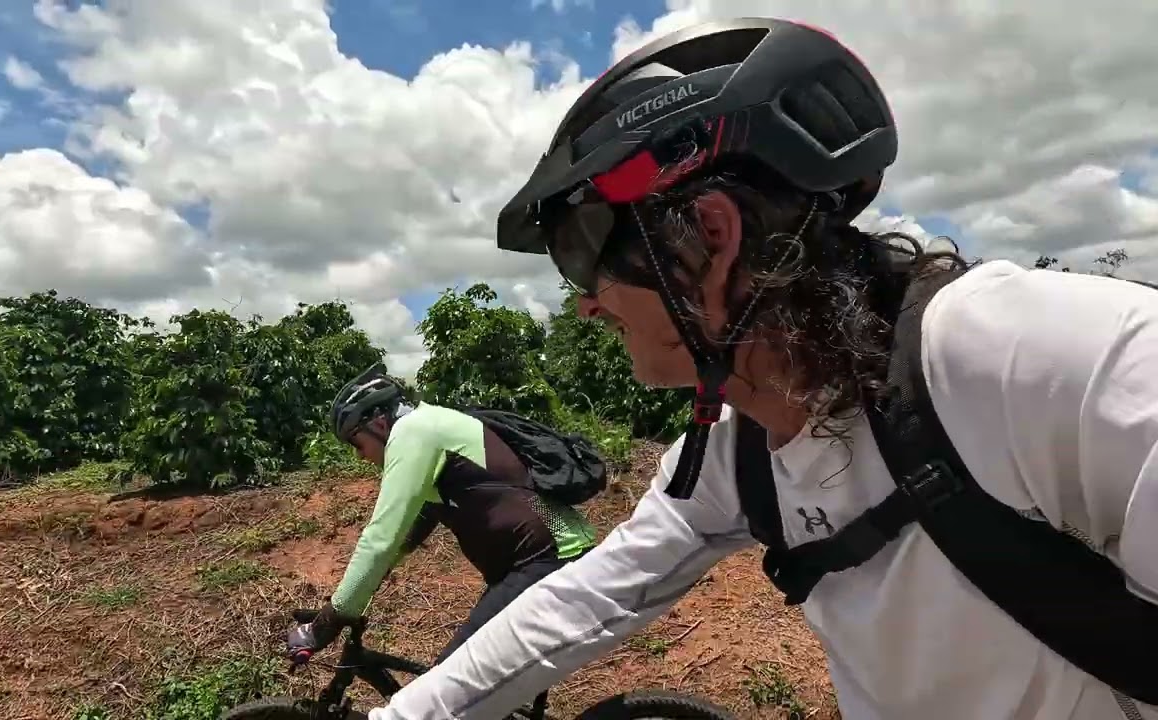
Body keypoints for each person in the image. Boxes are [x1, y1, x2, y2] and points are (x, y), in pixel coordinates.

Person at [364, 17, 1158, 720]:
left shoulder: (1016, 357)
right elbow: (581, 603)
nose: (587, 305)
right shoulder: (735, 457)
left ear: (711, 236)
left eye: (581, 255)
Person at [286, 362, 596, 666]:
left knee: (454, 678)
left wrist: (325, 625)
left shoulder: (412, 431)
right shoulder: (429, 426)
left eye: (356, 442)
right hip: (536, 561)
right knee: (484, 681)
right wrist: (342, 606)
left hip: (548, 557)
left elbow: (380, 539)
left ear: (378, 424)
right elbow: (403, 537)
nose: (359, 456)